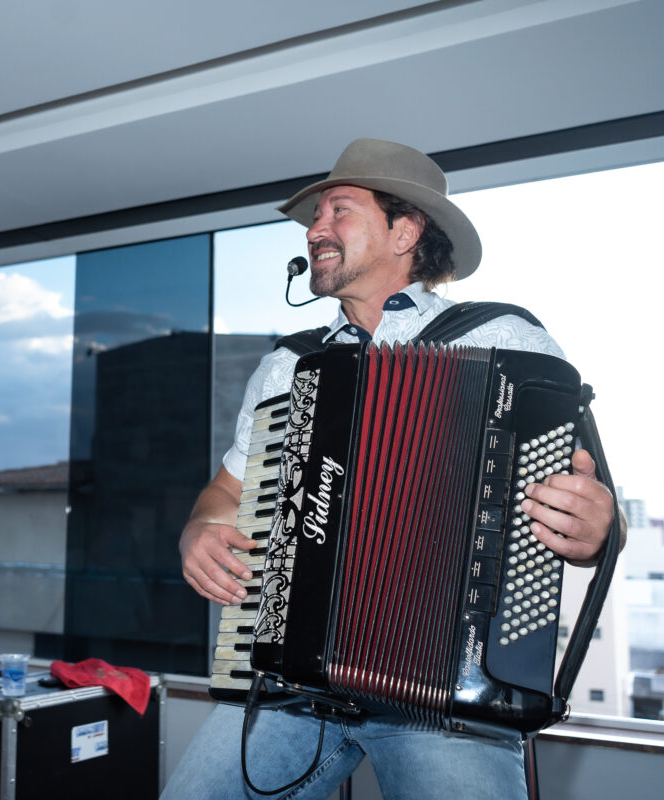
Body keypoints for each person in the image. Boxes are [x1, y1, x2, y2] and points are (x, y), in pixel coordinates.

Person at [165, 138, 623, 800]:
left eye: (338, 211)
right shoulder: (286, 366)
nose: (315, 230)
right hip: (295, 686)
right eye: (314, 217)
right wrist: (197, 530)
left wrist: (596, 526)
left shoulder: (505, 340)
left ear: (405, 230)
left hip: (451, 701)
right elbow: (225, 494)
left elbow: (598, 513)